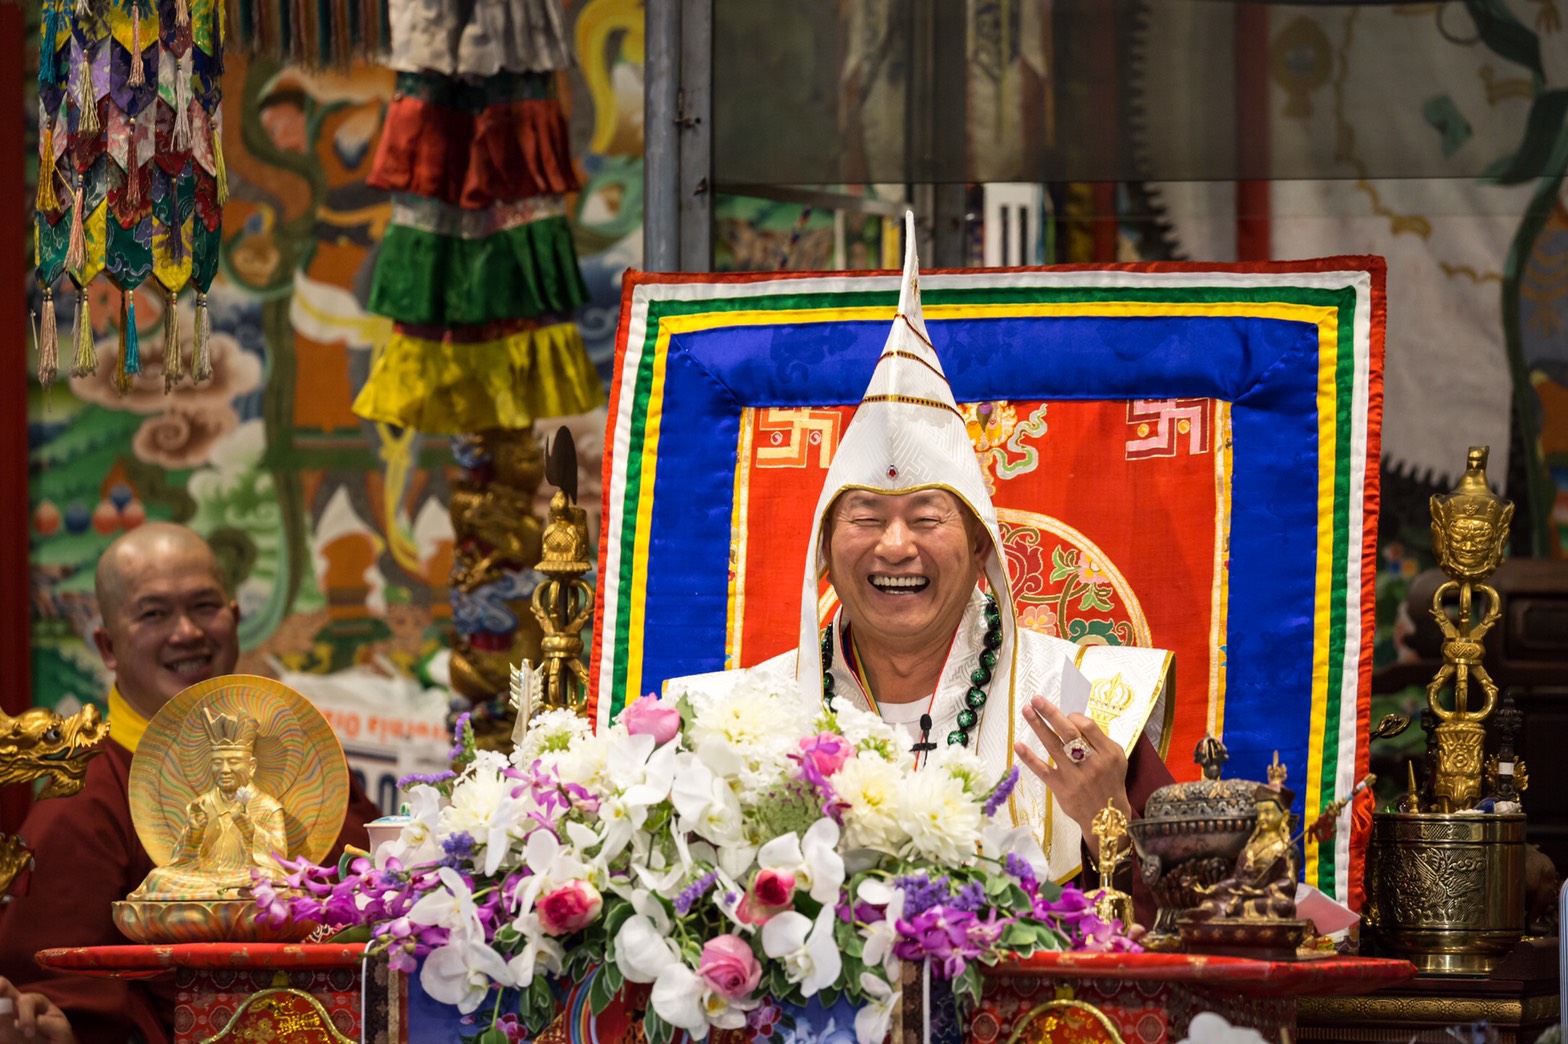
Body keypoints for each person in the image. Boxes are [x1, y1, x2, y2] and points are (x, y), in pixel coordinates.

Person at [666, 214, 1175, 904]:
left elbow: (1201, 914)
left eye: (927, 518)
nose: (895, 545)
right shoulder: (739, 721)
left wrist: (1107, 820)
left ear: (980, 546)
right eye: (866, 518)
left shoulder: (1084, 704)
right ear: (824, 548)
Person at [0, 523, 382, 1044]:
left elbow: (371, 901)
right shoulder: (86, 795)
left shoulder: (306, 761)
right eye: (154, 613)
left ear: (235, 619)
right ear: (108, 646)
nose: (186, 632)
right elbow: (60, 994)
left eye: (204, 606)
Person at [128, 710, 288, 901]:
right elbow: (181, 860)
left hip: (244, 877)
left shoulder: (268, 807)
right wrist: (194, 833)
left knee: (269, 878)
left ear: (251, 766)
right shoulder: (200, 805)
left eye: (233, 762)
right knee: (157, 877)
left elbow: (280, 858)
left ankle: (204, 898)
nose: (225, 770)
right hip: (204, 877)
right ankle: (217, 897)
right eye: (218, 762)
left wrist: (250, 830)